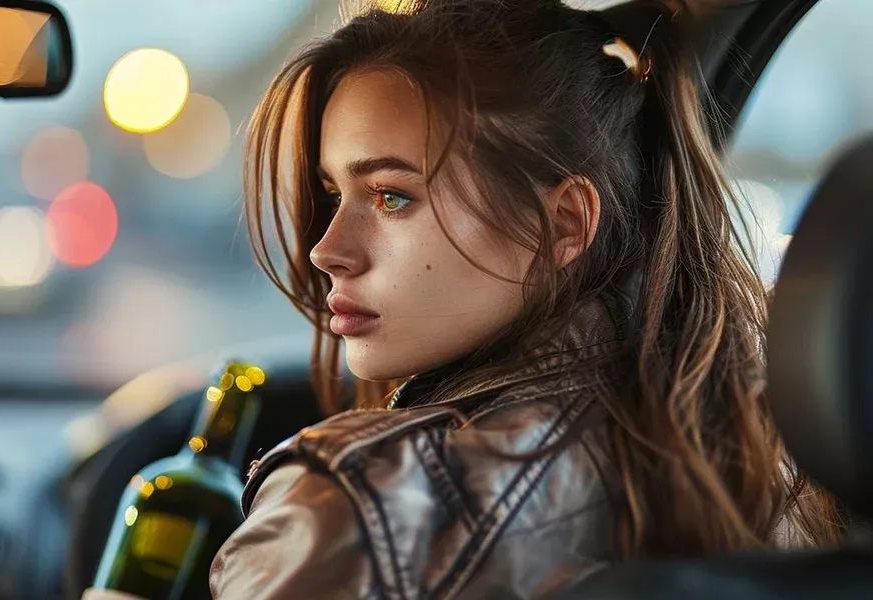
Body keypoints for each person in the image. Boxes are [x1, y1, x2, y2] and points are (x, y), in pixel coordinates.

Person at [210, 0, 842, 597]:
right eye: (332, 193)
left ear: (563, 224)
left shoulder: (352, 510)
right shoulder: (768, 454)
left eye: (390, 196)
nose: (328, 249)